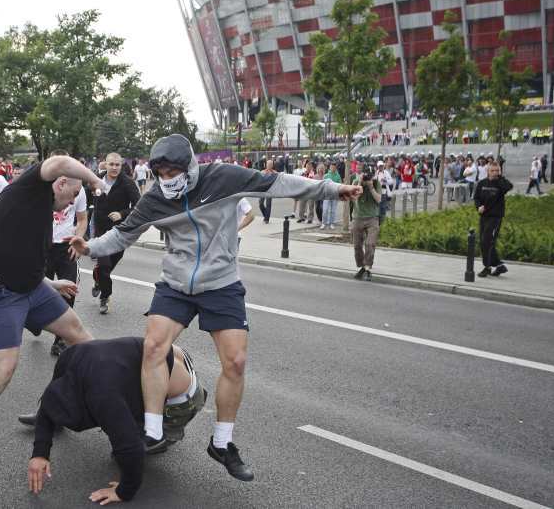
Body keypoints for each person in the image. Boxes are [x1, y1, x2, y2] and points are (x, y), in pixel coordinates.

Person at [69, 134, 360, 481]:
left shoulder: (223, 177)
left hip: (221, 282)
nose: (167, 179)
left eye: (173, 171)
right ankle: (153, 430)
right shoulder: (156, 198)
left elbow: (277, 183)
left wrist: (329, 189)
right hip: (176, 284)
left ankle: (222, 444)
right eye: (160, 172)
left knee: (236, 362)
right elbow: (124, 233)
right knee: (153, 346)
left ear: (190, 167)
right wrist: (90, 248)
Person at [0, 154, 106, 480]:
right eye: (73, 195)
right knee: (1, 368)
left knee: (82, 340)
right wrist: (97, 180)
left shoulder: (43, 212)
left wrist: (51, 283)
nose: (72, 203)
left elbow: (18, 256)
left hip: (30, 288)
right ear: (60, 184)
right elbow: (59, 160)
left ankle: (56, 408)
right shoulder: (31, 189)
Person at [24, 338, 205, 504]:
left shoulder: (104, 400)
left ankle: (173, 426)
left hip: (182, 393)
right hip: (168, 351)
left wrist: (123, 491)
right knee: (127, 406)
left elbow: (130, 449)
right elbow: (48, 406)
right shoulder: (69, 358)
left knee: (139, 443)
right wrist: (40, 453)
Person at [47, 151, 88, 356]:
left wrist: (77, 240)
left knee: (69, 291)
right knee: (35, 290)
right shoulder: (41, 188)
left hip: (65, 248)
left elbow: (82, 220)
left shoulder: (77, 189)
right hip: (42, 246)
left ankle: (60, 339)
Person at [90, 152, 141, 315]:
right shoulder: (96, 179)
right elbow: (84, 195)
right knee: (104, 265)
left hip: (120, 231)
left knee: (108, 266)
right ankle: (105, 296)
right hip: (100, 228)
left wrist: (122, 213)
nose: (114, 167)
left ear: (121, 165)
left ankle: (98, 281)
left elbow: (139, 206)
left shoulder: (127, 183)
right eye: (111, 164)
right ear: (105, 164)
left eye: (117, 165)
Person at [474, 161, 513, 278]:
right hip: (484, 217)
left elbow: (508, 187)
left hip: (495, 218)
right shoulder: (482, 183)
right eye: (492, 171)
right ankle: (499, 265)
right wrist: (478, 206)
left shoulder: (500, 184)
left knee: (488, 241)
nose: (495, 173)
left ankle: (487, 267)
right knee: (483, 241)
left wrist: (499, 178)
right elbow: (476, 198)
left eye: (497, 170)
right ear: (488, 171)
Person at [351, 164, 382, 281]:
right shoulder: (355, 182)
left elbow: (379, 200)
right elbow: (354, 197)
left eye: (369, 175)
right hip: (358, 217)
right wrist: (359, 183)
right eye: (365, 175)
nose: (367, 178)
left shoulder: (375, 183)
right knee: (357, 245)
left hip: (372, 218)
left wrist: (371, 187)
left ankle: (368, 268)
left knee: (370, 244)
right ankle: (361, 267)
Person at [322, 163, 341, 229]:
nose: (332, 168)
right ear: (330, 167)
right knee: (325, 210)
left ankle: (331, 223)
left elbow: (339, 185)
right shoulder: (326, 175)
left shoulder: (338, 176)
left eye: (334, 167)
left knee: (333, 210)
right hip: (326, 195)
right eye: (331, 167)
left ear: (335, 168)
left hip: (334, 195)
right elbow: (322, 185)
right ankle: (324, 223)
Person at [258, 159, 276, 224]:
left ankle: (266, 219)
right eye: (268, 164)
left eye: (270, 164)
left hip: (270, 190)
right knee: (260, 204)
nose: (269, 165)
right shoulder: (262, 172)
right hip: (263, 190)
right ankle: (266, 215)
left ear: (272, 165)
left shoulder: (275, 173)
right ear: (266, 165)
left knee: (268, 204)